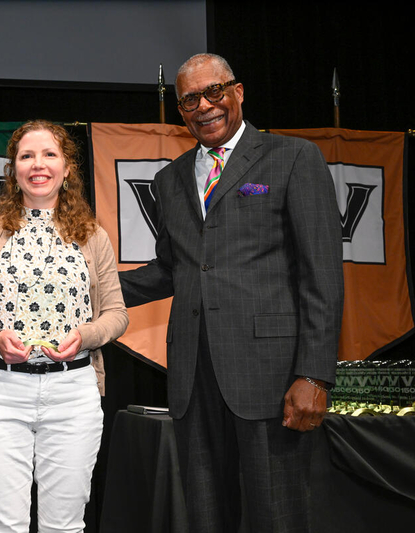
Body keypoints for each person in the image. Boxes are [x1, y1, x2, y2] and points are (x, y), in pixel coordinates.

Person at [119, 53, 343, 532]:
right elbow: (174, 268)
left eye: (214, 92)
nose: (204, 106)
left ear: (237, 92)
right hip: (192, 378)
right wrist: (89, 290)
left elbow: (321, 274)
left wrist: (315, 375)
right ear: (181, 111)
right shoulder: (170, 179)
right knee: (205, 517)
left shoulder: (293, 157)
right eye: (190, 100)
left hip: (272, 377)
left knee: (277, 516)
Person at [0, 120, 128, 533]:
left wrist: (86, 335)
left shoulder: (94, 236)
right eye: (26, 155)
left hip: (72, 394)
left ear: (67, 168)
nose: (37, 164)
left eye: (49, 155)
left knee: (64, 526)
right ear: (13, 169)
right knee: (2, 525)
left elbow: (116, 314)